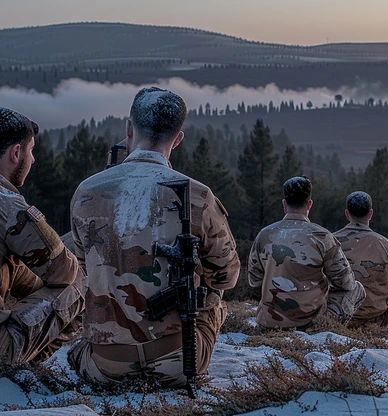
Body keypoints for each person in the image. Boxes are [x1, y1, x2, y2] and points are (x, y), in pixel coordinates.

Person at [68, 87, 240, 386]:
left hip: (105, 366)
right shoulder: (196, 195)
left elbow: (81, 265)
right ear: (178, 138)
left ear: (129, 129)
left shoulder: (86, 191)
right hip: (179, 362)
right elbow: (226, 278)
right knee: (212, 294)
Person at [0, 108, 83, 364]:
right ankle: (22, 364)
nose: (33, 160)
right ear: (16, 153)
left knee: (17, 271)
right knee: (80, 284)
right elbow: (64, 272)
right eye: (30, 150)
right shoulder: (8, 205)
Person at [248, 176, 365, 329]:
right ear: (309, 204)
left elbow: (254, 281)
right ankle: (328, 330)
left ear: (284, 204)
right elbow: (346, 282)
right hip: (310, 322)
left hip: (269, 320)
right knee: (357, 288)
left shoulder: (264, 234)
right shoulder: (323, 237)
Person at [334, 191, 388, 327]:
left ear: (347, 214)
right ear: (371, 214)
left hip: (338, 319)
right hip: (377, 322)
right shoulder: (387, 246)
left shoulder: (330, 242)